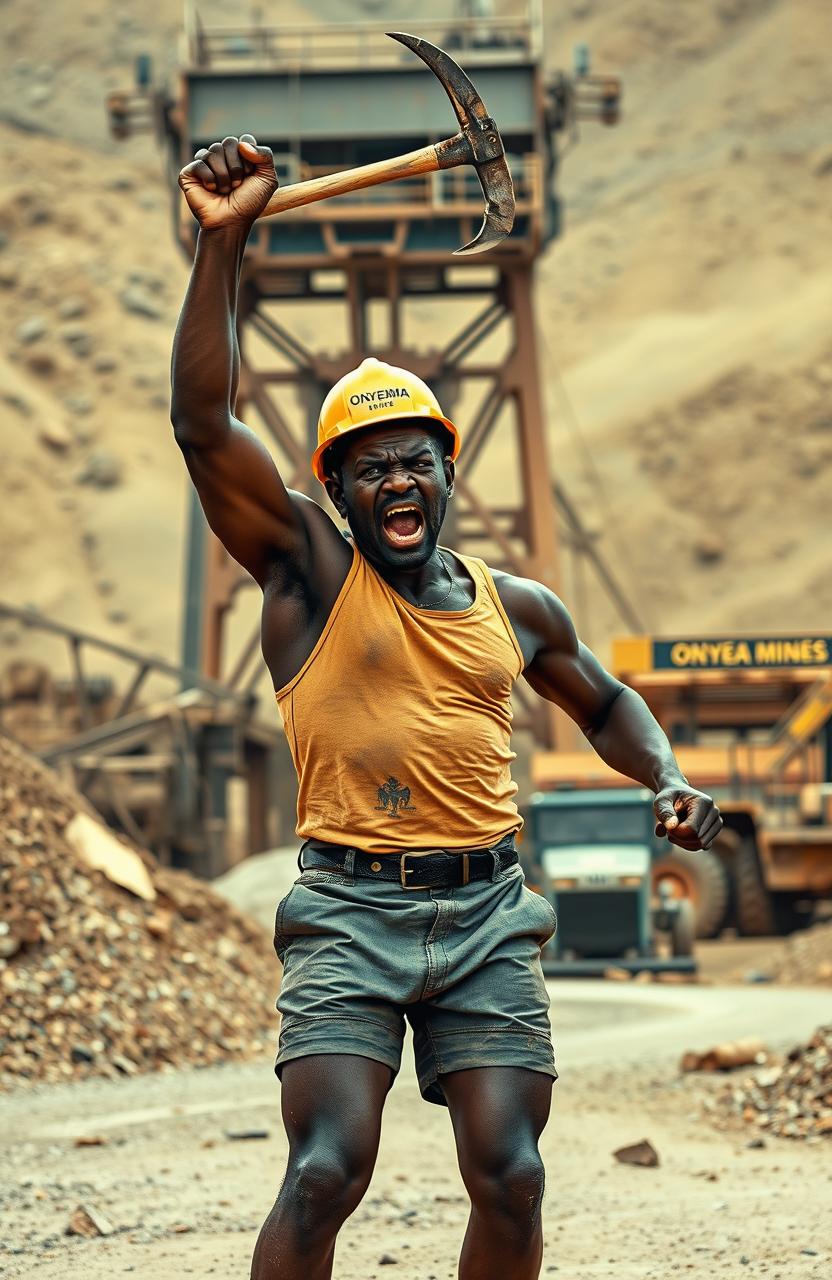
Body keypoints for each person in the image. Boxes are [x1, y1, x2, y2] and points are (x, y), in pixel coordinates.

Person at [172, 134, 722, 1280]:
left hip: (487, 913)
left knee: (511, 1174)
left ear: (449, 468)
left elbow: (606, 699)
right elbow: (205, 425)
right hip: (348, 909)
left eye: (415, 459)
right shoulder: (307, 574)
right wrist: (221, 246)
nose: (397, 482)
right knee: (326, 1168)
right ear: (335, 492)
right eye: (368, 468)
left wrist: (663, 773)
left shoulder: (514, 604)